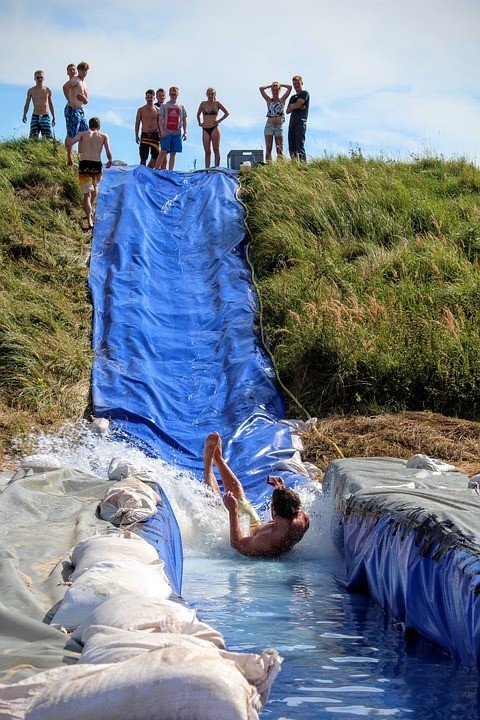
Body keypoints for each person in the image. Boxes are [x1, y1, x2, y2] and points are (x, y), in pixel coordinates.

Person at [203, 432, 310, 558]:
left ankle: (207, 462)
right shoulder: (303, 519)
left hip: (246, 538)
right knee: (238, 493)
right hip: (258, 528)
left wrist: (233, 510)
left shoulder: (266, 541)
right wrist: (280, 489)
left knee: (216, 501)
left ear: (274, 510)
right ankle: (219, 460)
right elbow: (287, 507)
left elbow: (237, 545)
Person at [65, 117, 112, 230]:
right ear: (99, 127)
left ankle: (89, 219)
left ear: (89, 125)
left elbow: (69, 143)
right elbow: (108, 152)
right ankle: (89, 209)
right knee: (95, 186)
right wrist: (110, 161)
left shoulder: (83, 134)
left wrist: (69, 158)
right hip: (96, 164)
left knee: (87, 194)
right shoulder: (104, 136)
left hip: (84, 163)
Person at [155, 86, 187, 171]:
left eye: (175, 94)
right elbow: (160, 119)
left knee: (173, 153)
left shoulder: (181, 106)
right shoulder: (164, 105)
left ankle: (171, 171)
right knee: (163, 151)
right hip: (166, 132)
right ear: (169, 94)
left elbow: (184, 119)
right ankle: (156, 169)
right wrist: (161, 131)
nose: (174, 96)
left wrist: (185, 132)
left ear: (178, 94)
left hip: (177, 133)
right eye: (172, 94)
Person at [196, 88, 229, 168]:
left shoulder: (217, 103)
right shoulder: (203, 103)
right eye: (209, 94)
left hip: (214, 128)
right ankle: (207, 169)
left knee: (216, 149)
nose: (210, 96)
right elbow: (198, 114)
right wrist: (200, 122)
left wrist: (219, 120)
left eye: (212, 94)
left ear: (215, 95)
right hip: (205, 129)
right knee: (207, 151)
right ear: (206, 94)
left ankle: (216, 168)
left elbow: (226, 113)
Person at [65, 61, 90, 165]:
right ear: (78, 71)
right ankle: (69, 159)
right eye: (82, 70)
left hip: (81, 111)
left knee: (85, 133)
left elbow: (87, 101)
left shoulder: (84, 84)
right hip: (73, 110)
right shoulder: (76, 80)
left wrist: (84, 98)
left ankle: (80, 158)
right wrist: (70, 101)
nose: (84, 72)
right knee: (72, 133)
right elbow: (65, 87)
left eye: (85, 70)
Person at [259, 81, 292, 162]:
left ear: (279, 90)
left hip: (279, 127)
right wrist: (270, 86)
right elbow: (261, 89)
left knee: (279, 149)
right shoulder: (269, 100)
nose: (275, 92)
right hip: (269, 126)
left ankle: (280, 167)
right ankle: (269, 166)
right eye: (273, 90)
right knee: (268, 148)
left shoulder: (282, 100)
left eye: (277, 90)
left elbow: (290, 87)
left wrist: (281, 85)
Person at [22, 70, 56, 140]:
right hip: (35, 116)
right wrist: (24, 115)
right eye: (38, 78)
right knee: (33, 138)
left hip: (45, 116)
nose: (40, 79)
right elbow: (27, 104)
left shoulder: (47, 90)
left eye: (41, 77)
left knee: (48, 138)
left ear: (44, 78)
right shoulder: (31, 91)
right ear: (35, 78)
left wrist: (54, 117)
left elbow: (51, 104)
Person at [286, 75, 310, 162]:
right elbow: (288, 110)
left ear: (302, 83)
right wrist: (295, 106)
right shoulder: (293, 97)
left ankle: (303, 166)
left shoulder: (304, 93)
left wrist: (295, 106)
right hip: (292, 123)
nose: (296, 85)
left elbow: (298, 104)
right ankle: (294, 166)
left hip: (300, 122)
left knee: (300, 145)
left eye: (298, 83)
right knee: (292, 147)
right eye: (294, 84)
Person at [135, 90, 160, 168]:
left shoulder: (157, 110)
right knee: (143, 157)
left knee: (155, 157)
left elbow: (160, 124)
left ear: (154, 98)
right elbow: (137, 123)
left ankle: (153, 174)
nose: (149, 99)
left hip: (155, 135)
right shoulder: (141, 110)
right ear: (145, 98)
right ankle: (142, 173)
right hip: (145, 135)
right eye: (148, 97)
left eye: (151, 97)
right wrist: (136, 135)